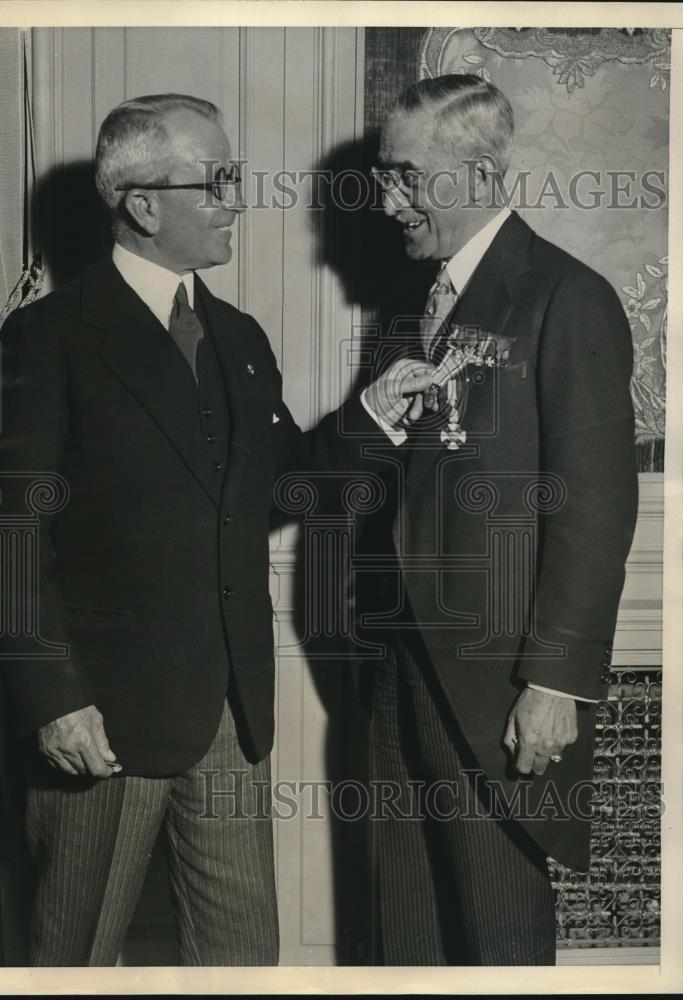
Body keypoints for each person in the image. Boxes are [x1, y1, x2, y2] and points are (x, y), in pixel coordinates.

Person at [0, 92, 435, 967]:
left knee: (241, 954)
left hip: (228, 707)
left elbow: (277, 489)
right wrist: (53, 698)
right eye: (217, 179)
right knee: (71, 954)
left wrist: (368, 416)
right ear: (143, 205)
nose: (236, 199)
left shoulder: (238, 336)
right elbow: (10, 537)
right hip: (98, 713)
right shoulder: (49, 337)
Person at [362, 74, 638, 964]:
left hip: (493, 692)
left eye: (403, 174)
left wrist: (554, 685)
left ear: (472, 176)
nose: (383, 197)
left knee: (495, 939)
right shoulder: (419, 306)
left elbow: (595, 506)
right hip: (397, 676)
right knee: (406, 940)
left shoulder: (568, 299)